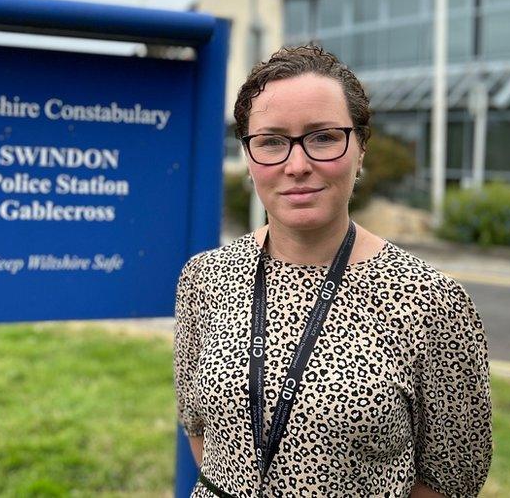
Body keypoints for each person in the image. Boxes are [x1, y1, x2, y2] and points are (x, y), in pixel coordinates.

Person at [173, 45, 492, 497]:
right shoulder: (205, 278)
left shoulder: (432, 301)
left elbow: (450, 478)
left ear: (360, 149)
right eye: (271, 141)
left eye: (323, 137)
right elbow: (198, 426)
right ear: (248, 157)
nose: (297, 165)